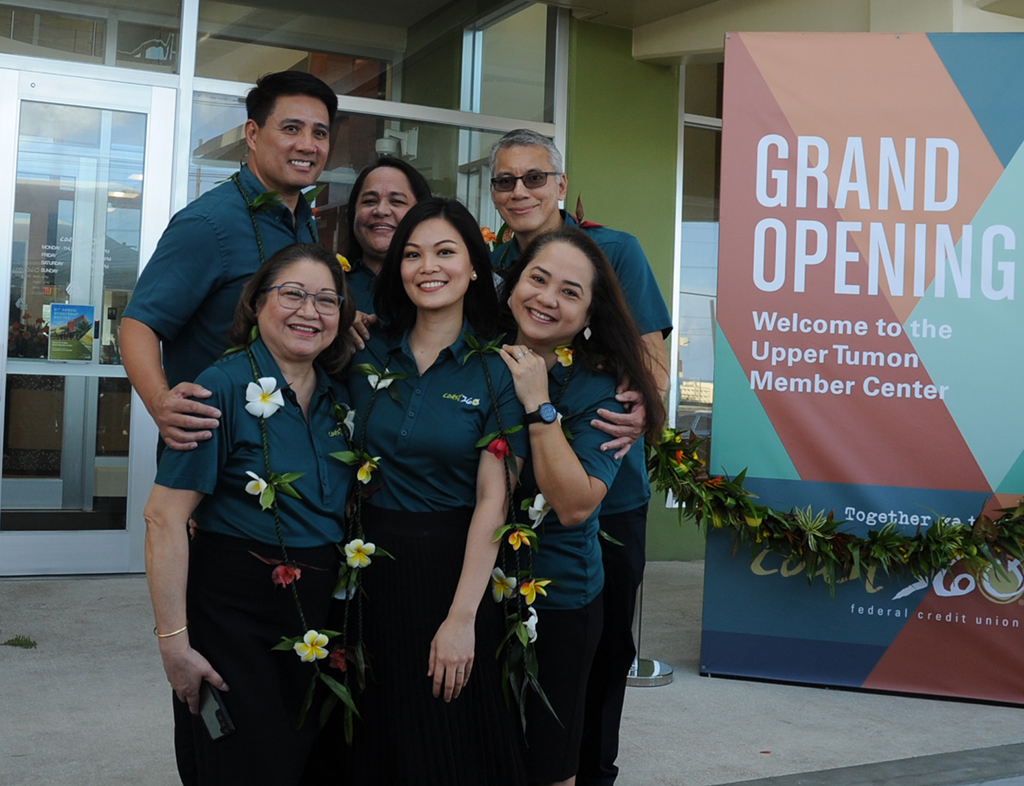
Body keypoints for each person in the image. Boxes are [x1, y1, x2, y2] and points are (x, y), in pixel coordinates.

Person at [311, 197, 527, 785]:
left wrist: (462, 619)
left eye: (444, 251)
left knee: (448, 742)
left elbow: (493, 502)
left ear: (475, 267)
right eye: (412, 254)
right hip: (363, 570)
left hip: (452, 571)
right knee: (369, 739)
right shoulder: (363, 351)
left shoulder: (496, 369)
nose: (427, 266)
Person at [489, 128, 672, 786]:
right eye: (505, 182)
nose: (520, 192)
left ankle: (593, 774)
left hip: (605, 492)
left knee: (598, 652)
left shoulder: (614, 249)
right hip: (509, 500)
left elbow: (649, 353)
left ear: (560, 185)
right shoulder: (492, 269)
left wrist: (641, 410)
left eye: (534, 178)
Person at [144, 243, 357, 785]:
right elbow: (164, 518)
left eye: (327, 300)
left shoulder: (340, 396)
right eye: (293, 294)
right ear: (257, 303)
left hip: (318, 615)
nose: (310, 311)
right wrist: (174, 645)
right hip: (235, 616)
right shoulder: (220, 387)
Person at [122, 70, 338, 451]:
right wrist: (160, 403)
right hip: (219, 448)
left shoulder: (304, 220)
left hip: (290, 443)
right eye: (291, 128)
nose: (308, 145)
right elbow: (139, 324)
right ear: (252, 134)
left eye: (320, 133)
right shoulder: (208, 223)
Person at [343, 157, 432, 314]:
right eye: (369, 201)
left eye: (397, 201)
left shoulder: (436, 285)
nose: (381, 210)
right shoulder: (330, 286)